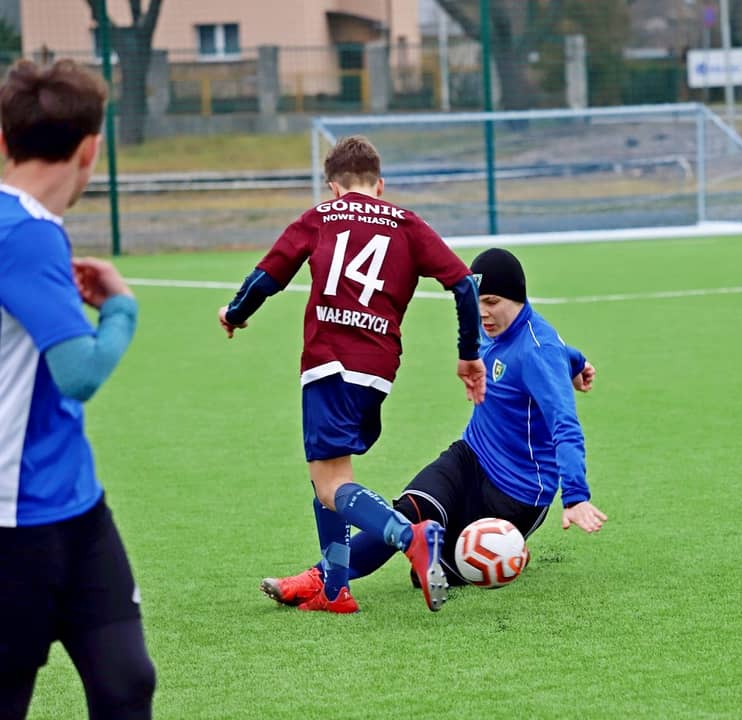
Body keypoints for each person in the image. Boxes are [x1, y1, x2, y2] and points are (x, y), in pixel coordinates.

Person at [219, 135, 486, 614]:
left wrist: (235, 314)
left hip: (329, 364)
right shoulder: (406, 223)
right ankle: (335, 589)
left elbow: (267, 278)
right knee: (327, 477)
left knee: (330, 483)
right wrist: (469, 354)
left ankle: (411, 537)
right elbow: (465, 284)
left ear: (333, 187)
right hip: (378, 368)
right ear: (379, 185)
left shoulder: (320, 217)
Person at [263, 247, 606, 601]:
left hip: (517, 492)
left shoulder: (538, 351)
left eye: (492, 301)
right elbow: (562, 351)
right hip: (471, 456)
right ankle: (318, 578)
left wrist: (576, 497)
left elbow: (565, 423)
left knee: (427, 574)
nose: (482, 313)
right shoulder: (498, 328)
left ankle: (511, 551)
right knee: (407, 513)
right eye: (477, 301)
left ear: (519, 299)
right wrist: (578, 364)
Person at [0, 59, 156, 719]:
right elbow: (80, 373)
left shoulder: (23, 229)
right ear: (91, 149)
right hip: (14, 522)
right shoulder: (25, 234)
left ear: (3, 139)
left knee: (126, 680)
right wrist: (120, 310)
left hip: (76, 507)